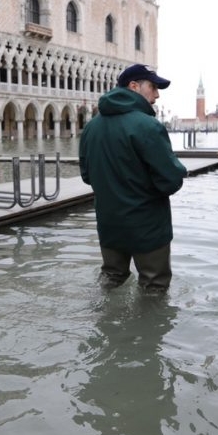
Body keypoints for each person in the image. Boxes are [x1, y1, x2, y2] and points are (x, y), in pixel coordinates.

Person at [79, 64, 188, 294]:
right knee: (154, 286)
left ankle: (106, 325)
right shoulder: (147, 125)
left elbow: (87, 176)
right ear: (134, 86)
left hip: (108, 222)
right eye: (154, 87)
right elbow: (170, 179)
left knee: (111, 278)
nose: (157, 95)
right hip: (146, 225)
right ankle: (149, 330)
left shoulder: (91, 127)